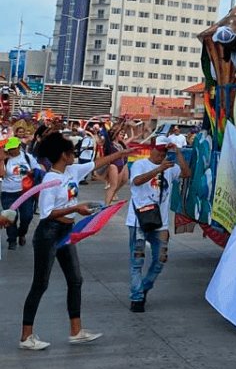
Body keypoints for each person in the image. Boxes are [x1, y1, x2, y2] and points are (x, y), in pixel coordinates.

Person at [20, 132, 130, 351]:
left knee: (76, 279)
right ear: (63, 155)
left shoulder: (71, 170)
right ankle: (26, 336)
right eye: (72, 153)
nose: (75, 156)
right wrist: (76, 208)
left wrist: (121, 153)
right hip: (49, 233)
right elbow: (47, 213)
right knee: (40, 283)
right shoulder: (50, 181)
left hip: (67, 232)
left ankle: (76, 331)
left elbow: (95, 163)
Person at [126, 135, 191, 312]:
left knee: (160, 259)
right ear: (152, 149)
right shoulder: (140, 164)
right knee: (137, 260)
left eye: (165, 151)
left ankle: (144, 286)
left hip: (160, 223)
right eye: (160, 150)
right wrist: (158, 169)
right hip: (139, 220)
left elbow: (187, 173)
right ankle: (137, 298)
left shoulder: (170, 167)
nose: (162, 154)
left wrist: (178, 153)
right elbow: (137, 181)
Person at [2, 136, 42, 249]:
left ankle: (22, 233)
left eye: (13, 148)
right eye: (9, 148)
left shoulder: (27, 157)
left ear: (19, 147)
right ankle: (12, 240)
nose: (11, 151)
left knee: (27, 216)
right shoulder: (4, 158)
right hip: (8, 192)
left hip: (25, 193)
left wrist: (31, 172)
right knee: (10, 218)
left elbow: (37, 170)